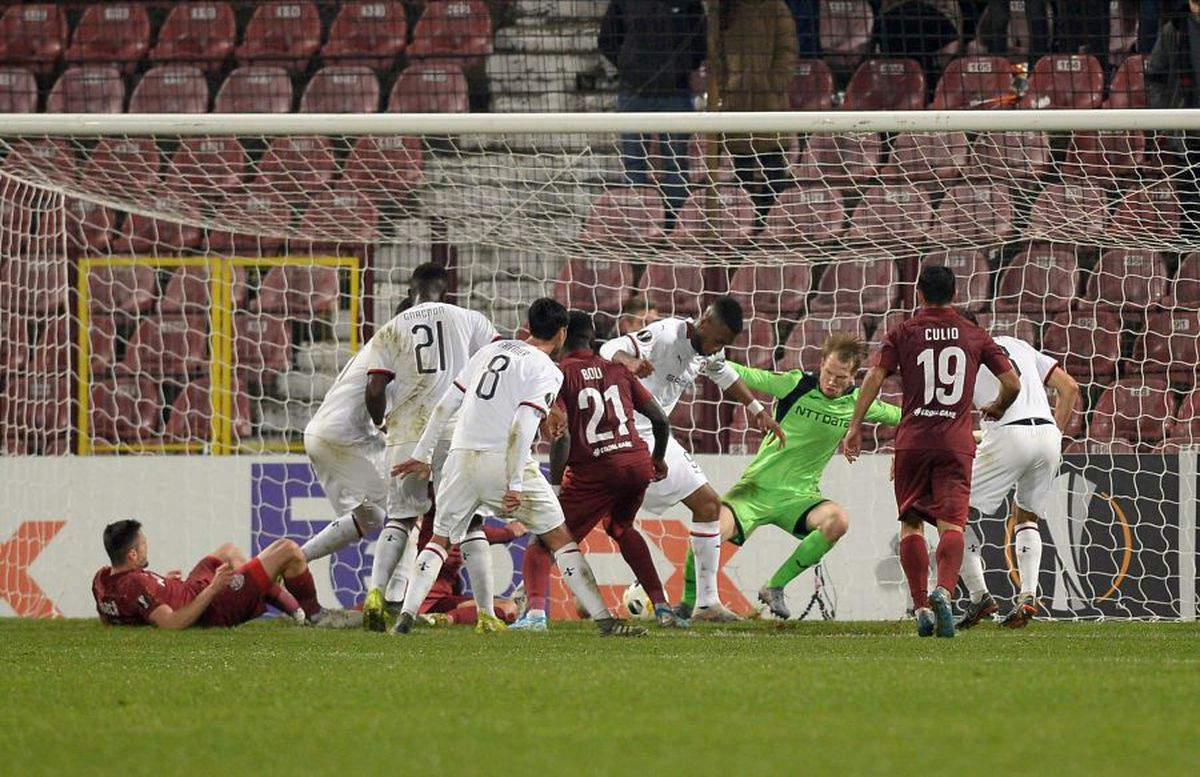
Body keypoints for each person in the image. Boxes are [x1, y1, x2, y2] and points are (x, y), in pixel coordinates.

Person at [391, 298, 647, 637]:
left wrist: (423, 454)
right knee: (560, 539)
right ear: (562, 333)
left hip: (461, 458)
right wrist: (513, 483)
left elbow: (446, 404)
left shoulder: (488, 352)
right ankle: (604, 620)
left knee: (439, 540)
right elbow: (523, 425)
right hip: (505, 460)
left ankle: (406, 617)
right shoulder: (547, 370)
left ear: (528, 326)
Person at [299, 262, 498, 632]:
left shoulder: (391, 329)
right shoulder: (468, 318)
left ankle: (377, 593)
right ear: (447, 291)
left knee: (399, 517)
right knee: (469, 520)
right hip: (452, 432)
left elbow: (374, 390)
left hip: (404, 432)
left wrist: (382, 423)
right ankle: (467, 613)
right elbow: (497, 365)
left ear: (410, 291)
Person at [845, 265, 1021, 638]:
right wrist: (1000, 407)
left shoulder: (903, 331)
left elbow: (875, 376)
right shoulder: (974, 334)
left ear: (918, 293)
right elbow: (1012, 383)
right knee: (952, 524)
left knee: (910, 522)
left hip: (912, 441)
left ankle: (922, 606)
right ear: (955, 294)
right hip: (955, 444)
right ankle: (945, 589)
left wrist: (855, 426)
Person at [677, 333, 901, 619]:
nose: (832, 382)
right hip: (754, 490)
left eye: (841, 378)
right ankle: (686, 606)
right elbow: (750, 376)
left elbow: (905, 416)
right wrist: (716, 363)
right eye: (829, 373)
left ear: (854, 376)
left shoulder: (858, 403)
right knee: (707, 532)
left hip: (799, 497)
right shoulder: (795, 384)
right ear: (821, 364)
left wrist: (906, 447)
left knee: (838, 521)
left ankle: (775, 586)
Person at [600, 296, 787, 622]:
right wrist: (629, 363)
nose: (717, 349)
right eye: (717, 341)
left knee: (708, 507)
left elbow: (724, 374)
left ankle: (706, 603)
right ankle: (537, 600)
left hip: (655, 434)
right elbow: (607, 349)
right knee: (696, 507)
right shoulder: (665, 333)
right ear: (704, 323)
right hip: (629, 433)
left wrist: (758, 410)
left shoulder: (709, 350)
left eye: (723, 345)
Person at [510, 311, 686, 631]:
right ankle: (662, 607)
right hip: (636, 464)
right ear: (592, 338)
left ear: (563, 337)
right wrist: (658, 459)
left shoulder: (559, 373)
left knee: (542, 541)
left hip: (595, 470)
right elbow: (661, 420)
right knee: (621, 528)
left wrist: (556, 486)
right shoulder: (616, 369)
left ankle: (535, 615)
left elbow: (560, 436)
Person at [955, 324, 1080, 630]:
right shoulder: (1018, 344)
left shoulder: (962, 353)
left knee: (952, 514)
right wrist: (1057, 434)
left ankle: (979, 596)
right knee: (1026, 517)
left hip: (1009, 434)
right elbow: (1070, 388)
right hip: (1048, 435)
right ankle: (1028, 594)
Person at [91, 519, 358, 629]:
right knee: (288, 551)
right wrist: (214, 587)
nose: (147, 547)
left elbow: (115, 613)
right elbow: (172, 624)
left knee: (228, 551)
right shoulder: (136, 584)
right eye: (143, 545)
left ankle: (267, 589)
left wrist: (163, 585)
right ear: (133, 556)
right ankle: (315, 614)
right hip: (212, 605)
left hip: (188, 588)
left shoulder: (103, 579)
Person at [599, 0, 706, 223]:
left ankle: (676, 229)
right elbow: (607, 40)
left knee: (675, 165)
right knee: (634, 165)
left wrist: (680, 69)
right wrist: (630, 67)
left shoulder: (689, 4)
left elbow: (699, 40)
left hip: (674, 93)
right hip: (634, 92)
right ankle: (639, 227)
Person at [718, 0, 797, 227]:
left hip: (769, 104)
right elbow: (717, 55)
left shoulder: (776, 8)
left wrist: (772, 84)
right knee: (742, 170)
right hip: (736, 104)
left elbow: (787, 51)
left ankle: (774, 225)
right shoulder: (725, 9)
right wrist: (727, 85)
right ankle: (745, 229)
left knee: (773, 169)